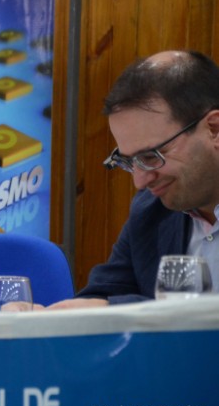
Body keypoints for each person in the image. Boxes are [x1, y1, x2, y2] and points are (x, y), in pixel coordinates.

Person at [49, 50, 219, 309]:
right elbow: (106, 294)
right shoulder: (151, 211)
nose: (140, 181)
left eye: (151, 156)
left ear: (213, 129)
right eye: (128, 161)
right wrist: (52, 318)